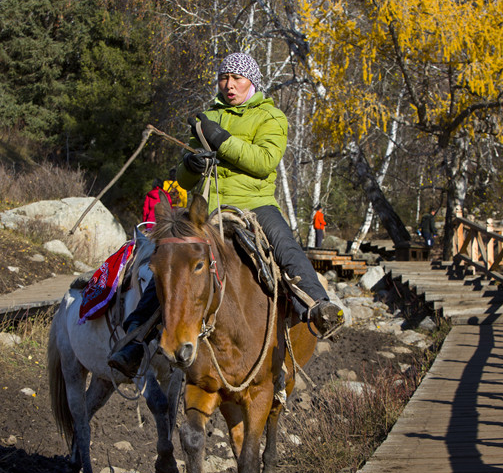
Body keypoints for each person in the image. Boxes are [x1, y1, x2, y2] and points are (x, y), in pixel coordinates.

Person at [109, 52, 345, 378]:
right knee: (173, 260)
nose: (229, 85)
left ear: (252, 81)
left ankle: (320, 306)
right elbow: (184, 179)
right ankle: (134, 338)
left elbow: (263, 162)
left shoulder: (271, 117)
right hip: (209, 210)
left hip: (256, 204)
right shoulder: (206, 118)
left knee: (284, 245)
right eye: (224, 78)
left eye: (237, 78)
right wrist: (189, 167)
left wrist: (221, 139)